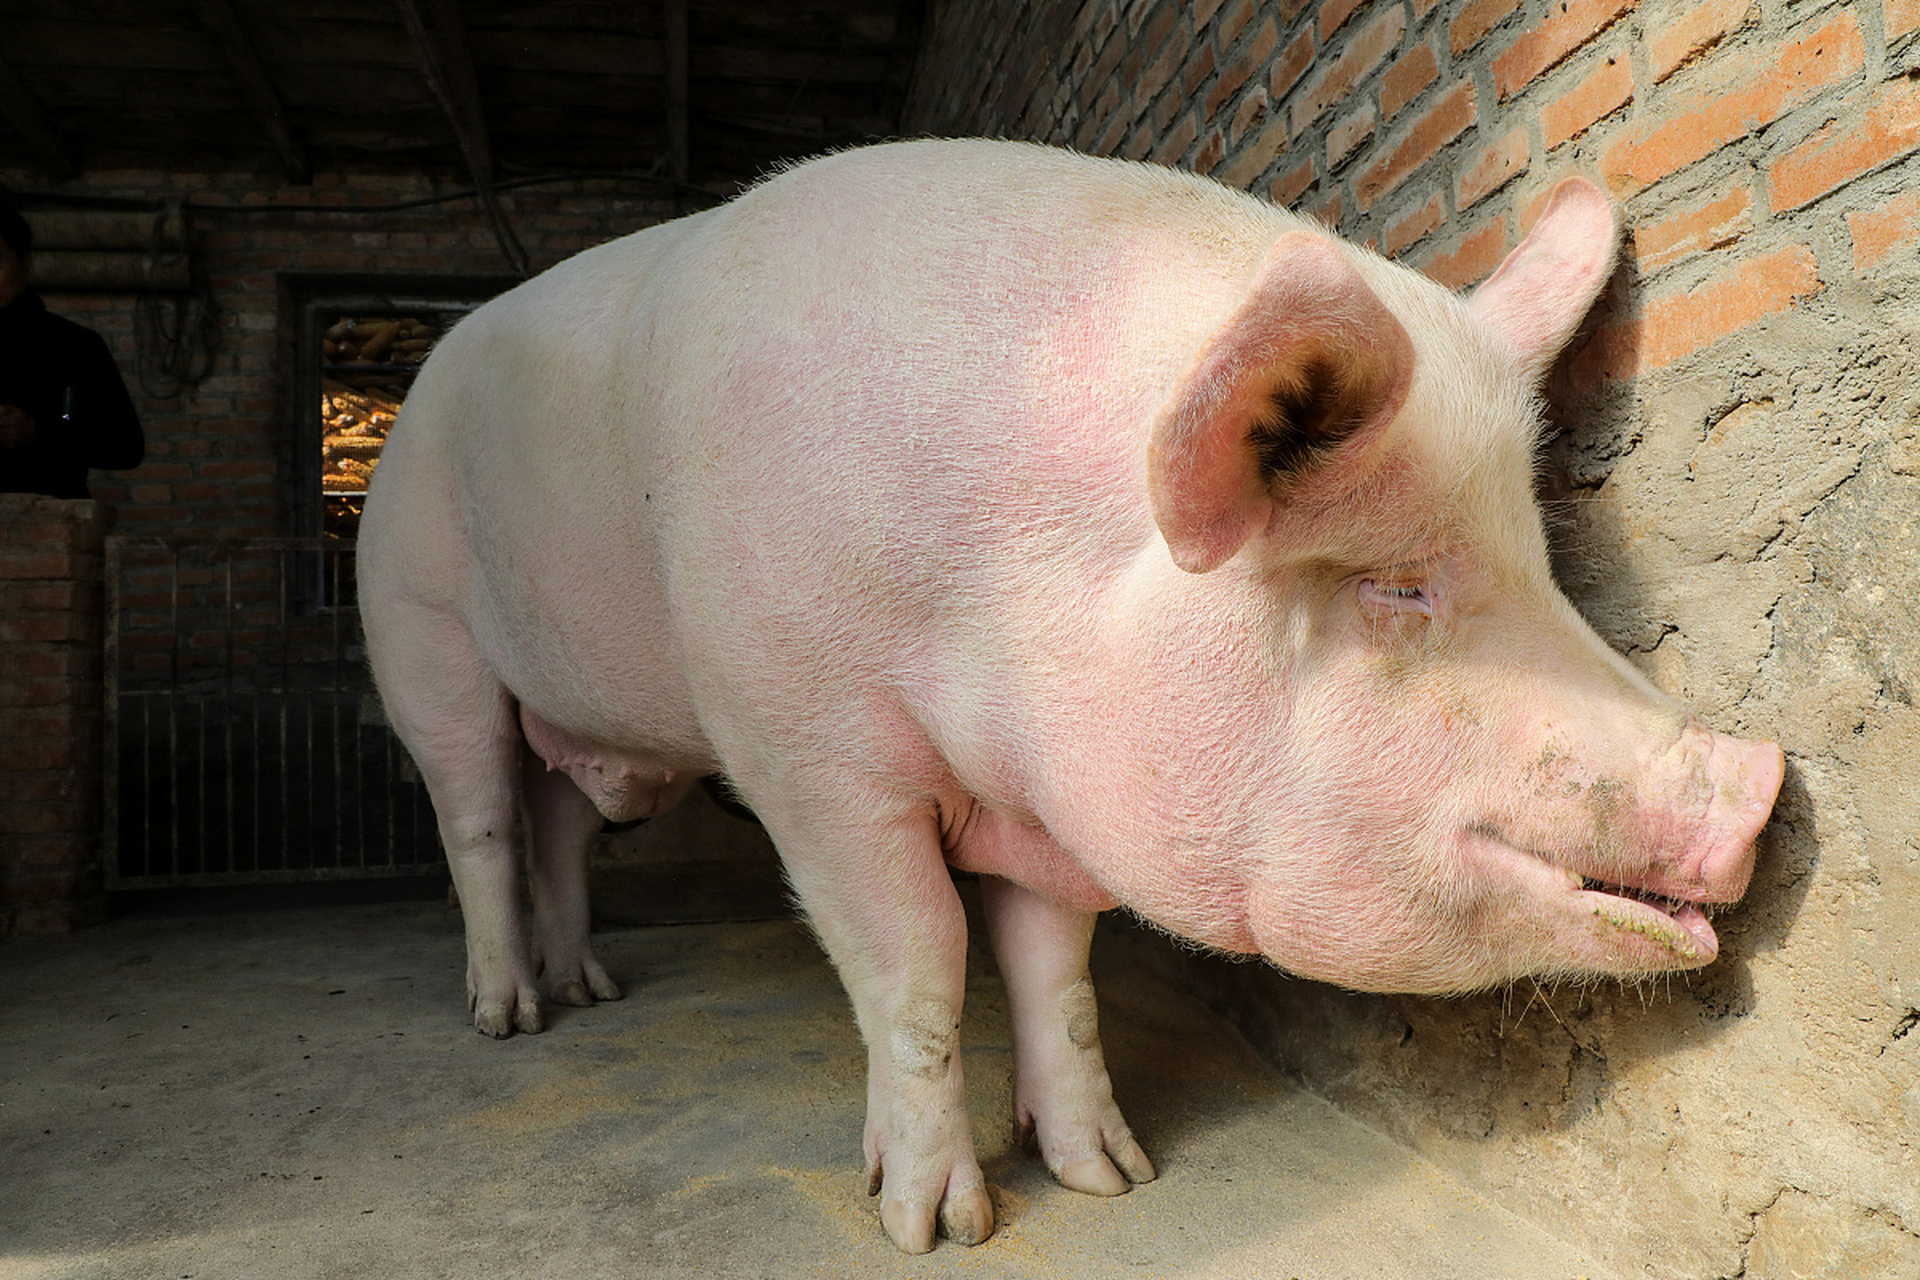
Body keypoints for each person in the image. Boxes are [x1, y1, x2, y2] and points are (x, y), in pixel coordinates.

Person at [0, 203, 144, 498]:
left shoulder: (73, 345)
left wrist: (37, 431)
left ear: (25, 263)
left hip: (48, 524)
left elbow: (125, 446)